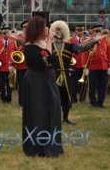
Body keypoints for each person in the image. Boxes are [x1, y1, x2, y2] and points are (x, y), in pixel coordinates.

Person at [22, 16, 63, 157]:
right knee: (39, 111)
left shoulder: (43, 42)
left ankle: (52, 143)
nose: (47, 28)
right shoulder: (30, 46)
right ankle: (39, 146)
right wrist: (50, 41)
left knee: (53, 108)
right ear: (37, 29)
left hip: (47, 79)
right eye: (44, 26)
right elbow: (46, 61)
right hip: (36, 81)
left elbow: (52, 60)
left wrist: (49, 41)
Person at [49, 21, 100, 124]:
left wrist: (94, 41)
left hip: (66, 76)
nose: (59, 31)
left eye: (61, 29)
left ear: (64, 32)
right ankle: (53, 119)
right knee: (52, 97)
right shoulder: (49, 45)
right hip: (53, 75)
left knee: (66, 97)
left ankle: (66, 119)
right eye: (57, 29)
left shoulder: (69, 45)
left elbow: (82, 47)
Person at [85, 24, 110, 108]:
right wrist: (86, 67)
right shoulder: (90, 42)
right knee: (92, 85)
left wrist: (109, 66)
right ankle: (93, 102)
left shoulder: (105, 41)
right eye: (96, 32)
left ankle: (100, 102)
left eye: (99, 31)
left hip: (104, 66)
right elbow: (85, 54)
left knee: (103, 85)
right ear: (93, 33)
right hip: (93, 66)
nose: (98, 33)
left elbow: (108, 54)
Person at [0, 27, 15, 103]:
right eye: (4, 33)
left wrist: (12, 64)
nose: (6, 35)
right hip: (1, 67)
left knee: (9, 83)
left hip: (10, 66)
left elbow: (15, 54)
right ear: (1, 34)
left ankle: (9, 98)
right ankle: (3, 97)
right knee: (2, 83)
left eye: (7, 33)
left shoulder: (13, 42)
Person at [68, 24, 87, 103]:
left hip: (84, 65)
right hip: (74, 65)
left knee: (84, 83)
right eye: (78, 30)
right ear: (75, 31)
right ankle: (73, 99)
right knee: (73, 83)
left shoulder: (86, 40)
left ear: (83, 31)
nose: (80, 32)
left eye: (81, 30)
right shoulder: (70, 40)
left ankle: (82, 99)